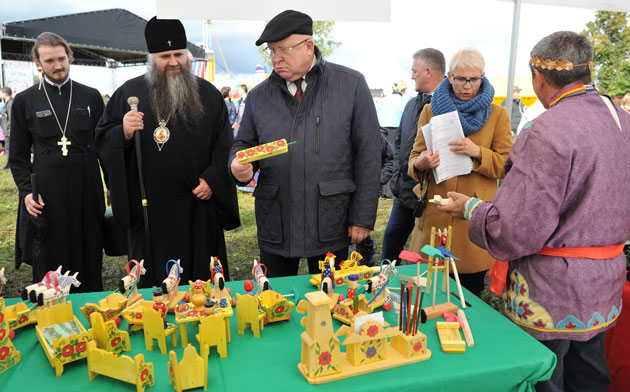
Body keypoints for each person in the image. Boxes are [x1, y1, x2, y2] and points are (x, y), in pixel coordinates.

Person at [438, 31, 630, 392]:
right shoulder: (622, 120)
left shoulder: (547, 130)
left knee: (546, 379)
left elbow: (517, 230)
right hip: (604, 284)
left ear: (539, 79)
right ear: (587, 72)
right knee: (589, 374)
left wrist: (472, 208)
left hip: (551, 294)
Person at [229, 10, 381, 277]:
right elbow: (243, 143)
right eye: (271, 51)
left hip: (330, 218)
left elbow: (369, 153)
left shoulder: (350, 85)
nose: (276, 58)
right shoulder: (258, 97)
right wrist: (238, 164)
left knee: (331, 301)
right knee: (274, 298)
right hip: (276, 219)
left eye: (283, 49)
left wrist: (362, 217)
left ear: (308, 46)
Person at [96, 17, 240, 287]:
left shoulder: (209, 95)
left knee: (202, 283)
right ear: (152, 58)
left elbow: (225, 144)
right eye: (165, 56)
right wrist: (123, 133)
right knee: (155, 284)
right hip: (151, 210)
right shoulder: (129, 94)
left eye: (178, 54)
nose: (174, 62)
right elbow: (103, 137)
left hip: (199, 205)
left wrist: (212, 178)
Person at [407, 48, 513, 296]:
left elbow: (508, 165)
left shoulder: (498, 115)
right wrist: (421, 163)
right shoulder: (430, 110)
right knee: (426, 296)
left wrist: (478, 153)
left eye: (474, 79)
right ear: (450, 77)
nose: (467, 86)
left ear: (483, 77)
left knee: (468, 300)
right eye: (461, 79)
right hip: (434, 218)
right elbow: (413, 159)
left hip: (470, 224)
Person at [9, 32, 105, 291]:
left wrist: (115, 187)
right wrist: (27, 193)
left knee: (89, 254)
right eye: (49, 60)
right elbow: (16, 157)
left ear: (70, 56)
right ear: (38, 62)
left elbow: (105, 147)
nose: (58, 65)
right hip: (47, 196)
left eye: (62, 58)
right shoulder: (24, 101)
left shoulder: (91, 97)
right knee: (51, 258)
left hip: (86, 190)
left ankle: (90, 307)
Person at [381, 48, 445, 263]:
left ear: (428, 71)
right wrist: (399, 179)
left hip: (431, 197)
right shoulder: (410, 105)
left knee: (427, 254)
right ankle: (384, 285)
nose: (411, 76)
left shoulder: (449, 106)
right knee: (391, 241)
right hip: (404, 194)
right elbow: (399, 142)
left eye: (414, 71)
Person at [0, 87, 13, 169]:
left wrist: (9, 132)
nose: (0, 95)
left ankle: (9, 165)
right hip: (7, 131)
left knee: (8, 149)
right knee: (7, 148)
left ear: (5, 94)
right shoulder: (8, 103)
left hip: (9, 132)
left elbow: (11, 120)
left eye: (1, 93)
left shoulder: (10, 104)